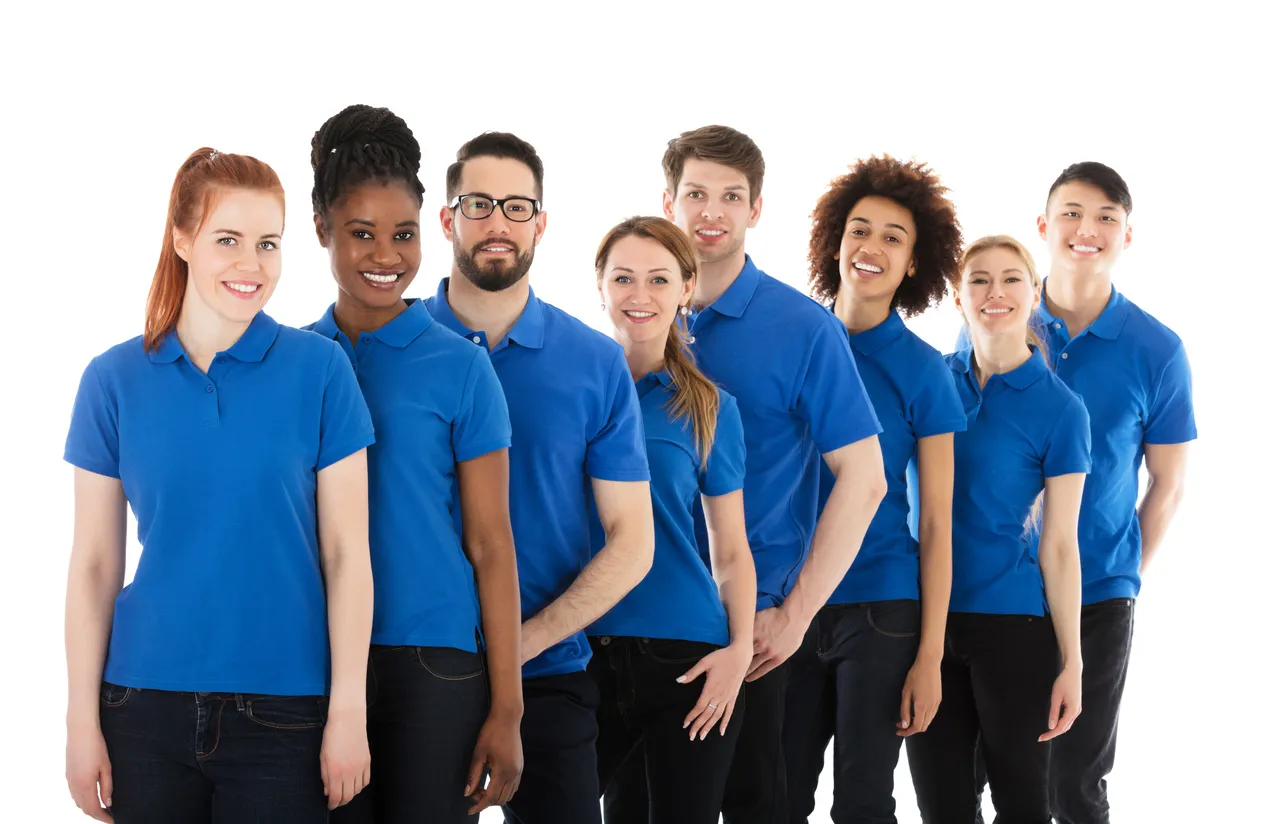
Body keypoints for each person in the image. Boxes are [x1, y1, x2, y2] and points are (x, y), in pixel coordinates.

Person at [63, 148, 374, 823]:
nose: (251, 263)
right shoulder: (112, 380)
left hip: (285, 711)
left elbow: (347, 554)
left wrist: (348, 710)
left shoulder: (321, 371)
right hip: (141, 706)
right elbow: (93, 564)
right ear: (181, 240)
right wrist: (80, 722)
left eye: (268, 243)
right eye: (227, 239)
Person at [633, 124, 886, 824]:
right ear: (668, 200)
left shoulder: (803, 329)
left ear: (755, 209)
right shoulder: (638, 312)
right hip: (636, 625)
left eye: (730, 196)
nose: (710, 211)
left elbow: (863, 478)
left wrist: (796, 615)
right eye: (695, 194)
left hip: (750, 631)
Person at [423, 131, 655, 824]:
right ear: (446, 219)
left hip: (551, 678)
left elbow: (631, 541)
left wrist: (520, 643)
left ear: (542, 224)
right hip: (416, 678)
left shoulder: (593, 362)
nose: (498, 223)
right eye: (479, 204)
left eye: (518, 207)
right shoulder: (389, 348)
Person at [958, 163, 1197, 823]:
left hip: (1094, 595)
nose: (1085, 230)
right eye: (1070, 213)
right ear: (1042, 225)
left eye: (1104, 218)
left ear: (1126, 235)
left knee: (1073, 785)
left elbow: (1167, 484)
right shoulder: (994, 307)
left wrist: (1121, 581)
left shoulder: (1155, 350)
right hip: (989, 596)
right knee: (971, 779)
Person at [304, 105, 523, 822]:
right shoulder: (291, 363)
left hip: (432, 662)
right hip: (311, 655)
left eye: (402, 235)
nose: (384, 256)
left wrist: (508, 710)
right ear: (320, 230)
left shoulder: (462, 369)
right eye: (360, 233)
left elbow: (491, 545)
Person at [783, 156, 965, 824]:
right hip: (786, 606)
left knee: (862, 803)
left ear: (914, 262)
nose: (871, 247)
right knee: (772, 797)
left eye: (893, 237)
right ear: (834, 241)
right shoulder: (792, 342)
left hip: (881, 611)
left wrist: (930, 656)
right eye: (859, 229)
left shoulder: (923, 374)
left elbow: (938, 524)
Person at [906, 235, 1088, 823]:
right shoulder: (930, 379)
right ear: (958, 297)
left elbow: (1060, 545)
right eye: (978, 279)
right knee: (943, 809)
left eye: (1011, 279)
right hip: (920, 621)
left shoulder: (1062, 409)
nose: (995, 292)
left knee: (1022, 805)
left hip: (1012, 626)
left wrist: (1074, 660)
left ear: (1033, 293)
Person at [589, 216, 757, 823]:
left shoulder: (711, 409)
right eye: (624, 278)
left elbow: (730, 550)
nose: (640, 295)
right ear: (600, 286)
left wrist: (738, 652)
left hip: (688, 657)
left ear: (686, 287)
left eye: (659, 279)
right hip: (579, 652)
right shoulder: (568, 388)